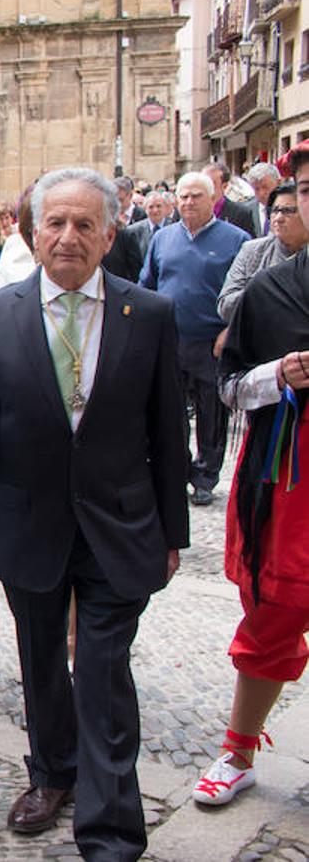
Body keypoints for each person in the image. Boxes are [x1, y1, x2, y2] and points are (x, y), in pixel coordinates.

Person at [0, 167, 188, 861]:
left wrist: (173, 533)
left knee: (102, 674)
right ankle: (52, 774)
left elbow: (166, 433)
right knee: (40, 662)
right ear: (32, 232)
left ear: (107, 234)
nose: (68, 237)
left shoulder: (149, 314)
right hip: (27, 520)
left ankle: (111, 829)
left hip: (119, 526)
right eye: (55, 224)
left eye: (83, 224)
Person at [192, 144, 309, 808]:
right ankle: (238, 751)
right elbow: (229, 387)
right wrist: (279, 376)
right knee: (271, 618)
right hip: (289, 483)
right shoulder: (271, 290)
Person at [140, 171, 249, 506]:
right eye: (183, 196)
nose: (188, 202)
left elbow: (247, 294)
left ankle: (205, 475)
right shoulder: (163, 238)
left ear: (211, 198)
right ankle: (179, 469)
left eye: (196, 196)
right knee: (170, 412)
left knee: (211, 413)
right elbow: (148, 284)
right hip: (171, 339)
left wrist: (229, 333)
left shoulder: (236, 240)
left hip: (211, 342)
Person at [218, 181, 306, 321]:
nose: (278, 218)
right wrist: (264, 287)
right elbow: (225, 307)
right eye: (274, 211)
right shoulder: (253, 251)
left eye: (287, 211)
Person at [204, 162, 259, 238]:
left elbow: (249, 245)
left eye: (211, 184)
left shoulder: (241, 213)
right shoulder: (189, 210)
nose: (206, 188)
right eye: (203, 183)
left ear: (225, 186)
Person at [243, 160, 282, 237]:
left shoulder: (291, 208)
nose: (261, 193)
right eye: (256, 189)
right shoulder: (246, 210)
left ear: (278, 183)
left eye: (265, 187)